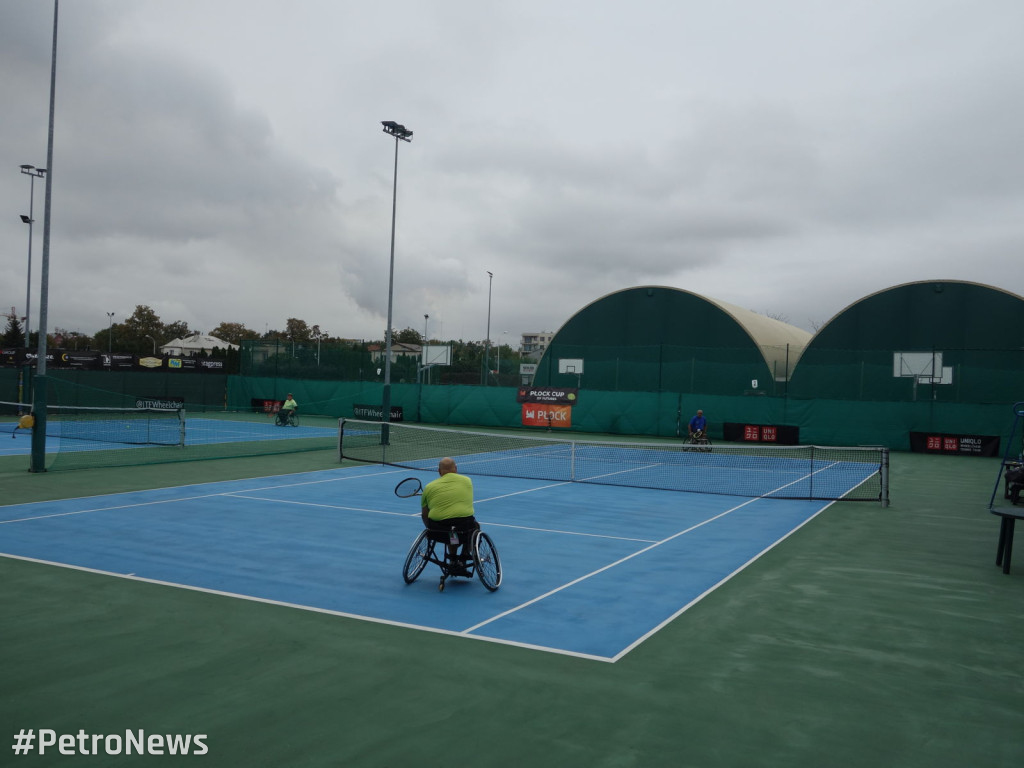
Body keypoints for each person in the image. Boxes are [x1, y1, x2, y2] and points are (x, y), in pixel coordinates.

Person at [420, 457, 479, 575]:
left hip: (438, 531)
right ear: (456, 469)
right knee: (474, 527)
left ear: (439, 471)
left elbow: (424, 515)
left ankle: (452, 559)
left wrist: (429, 529)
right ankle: (463, 557)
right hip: (464, 528)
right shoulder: (467, 481)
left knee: (452, 533)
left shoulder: (429, 487)